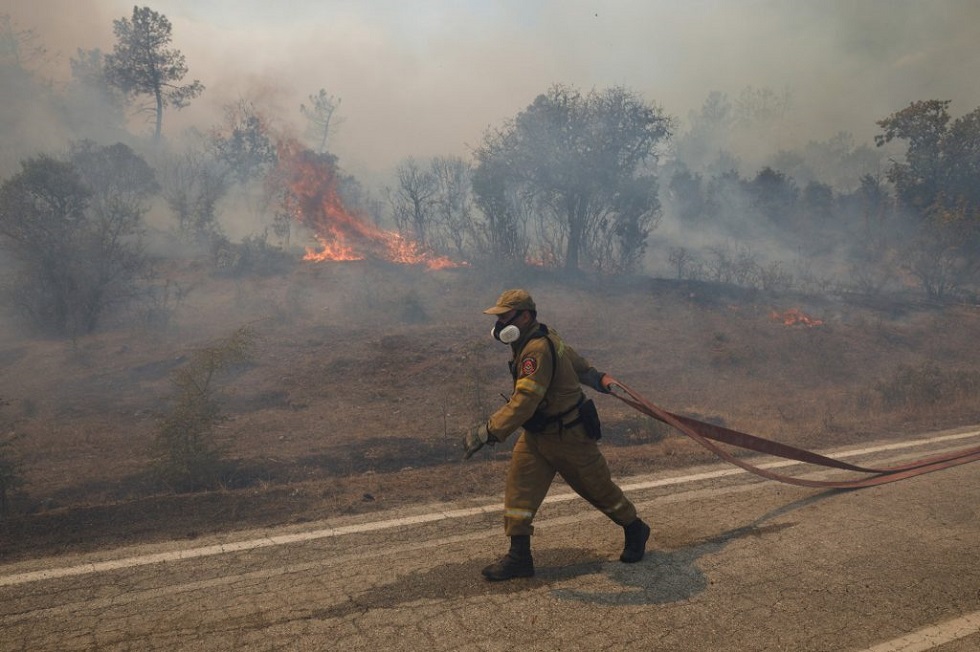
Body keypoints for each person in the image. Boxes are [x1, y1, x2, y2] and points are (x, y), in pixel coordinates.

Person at [462, 288, 650, 581]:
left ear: (524, 317)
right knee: (519, 490)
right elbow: (573, 363)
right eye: (497, 318)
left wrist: (489, 431)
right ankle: (519, 557)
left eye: (505, 317)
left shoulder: (537, 349)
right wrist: (596, 376)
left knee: (599, 490)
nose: (499, 325)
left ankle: (635, 528)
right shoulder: (539, 337)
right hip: (538, 436)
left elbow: (525, 401)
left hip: (569, 436)